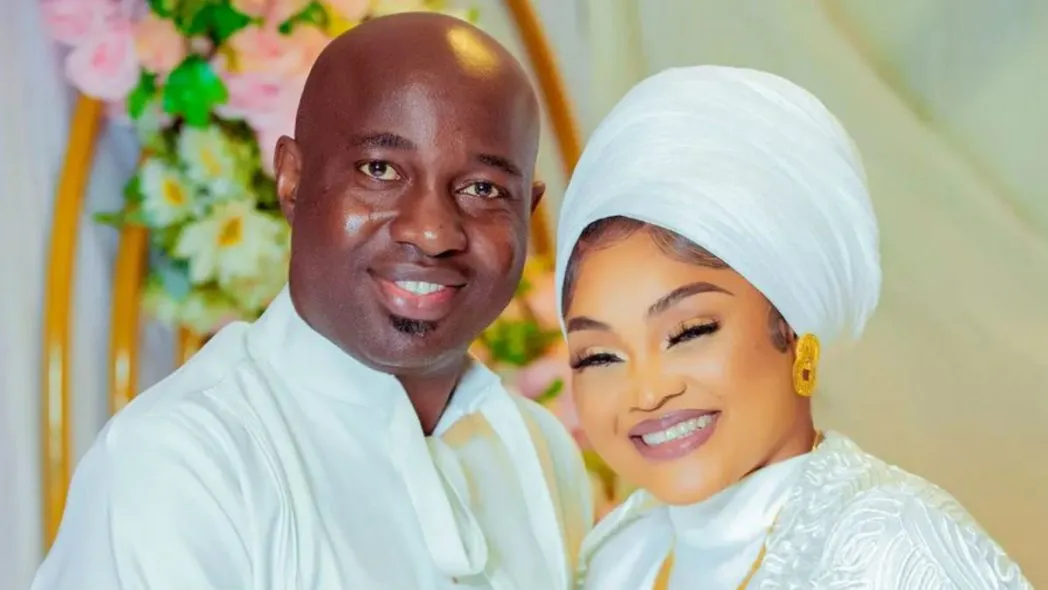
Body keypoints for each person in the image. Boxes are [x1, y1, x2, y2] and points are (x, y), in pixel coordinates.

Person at [32, 13, 591, 590]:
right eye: (380, 170)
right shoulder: (189, 460)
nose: (431, 232)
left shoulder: (539, 450)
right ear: (292, 181)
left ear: (526, 212)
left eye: (482, 189)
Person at [554, 66, 1032, 589]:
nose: (647, 393)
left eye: (689, 332)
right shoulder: (620, 555)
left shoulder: (894, 550)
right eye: (599, 356)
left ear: (791, 327)